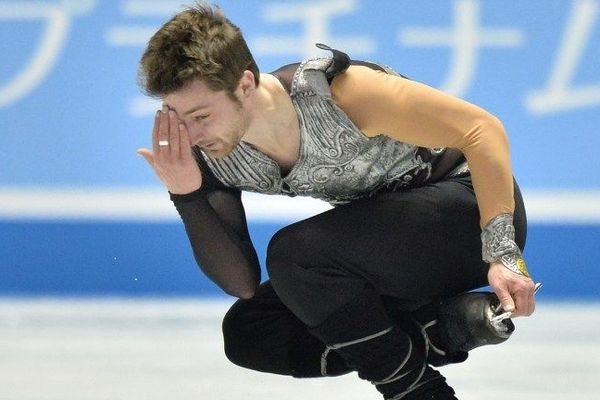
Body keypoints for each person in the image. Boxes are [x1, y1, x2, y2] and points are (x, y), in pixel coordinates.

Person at [136, 3, 537, 399]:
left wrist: (503, 254)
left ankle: (417, 391)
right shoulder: (212, 155)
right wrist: (187, 194)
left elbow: (482, 129)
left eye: (201, 116)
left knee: (295, 254)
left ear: (244, 84)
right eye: (175, 114)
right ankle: (437, 331)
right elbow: (240, 282)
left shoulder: (339, 94)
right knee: (251, 329)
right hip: (391, 251)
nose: (189, 132)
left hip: (468, 216)